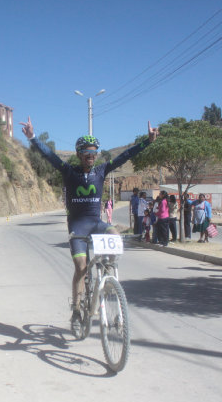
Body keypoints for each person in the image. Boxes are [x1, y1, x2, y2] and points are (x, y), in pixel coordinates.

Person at [20, 117, 157, 333]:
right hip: (77, 227)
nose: (91, 156)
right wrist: (33, 138)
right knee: (81, 268)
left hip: (96, 223)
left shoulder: (101, 171)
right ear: (78, 154)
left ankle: (109, 278)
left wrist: (147, 142)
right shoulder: (68, 171)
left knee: (114, 233)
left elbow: (125, 156)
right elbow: (49, 156)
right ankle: (76, 309)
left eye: (94, 152)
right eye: (87, 152)